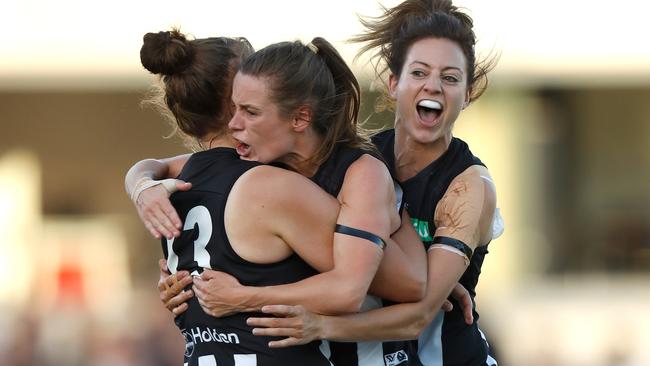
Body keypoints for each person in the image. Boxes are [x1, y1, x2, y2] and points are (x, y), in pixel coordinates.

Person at [128, 28, 434, 366]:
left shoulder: (180, 180)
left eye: (251, 108)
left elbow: (378, 284)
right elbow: (404, 282)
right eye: (240, 105)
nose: (240, 119)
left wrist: (139, 184)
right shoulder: (273, 185)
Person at [245, 0, 502, 365]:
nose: (433, 86)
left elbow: (418, 316)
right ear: (393, 83)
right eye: (419, 73)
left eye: (450, 77)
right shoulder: (360, 158)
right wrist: (146, 184)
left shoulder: (470, 185)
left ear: (468, 93)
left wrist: (319, 326)